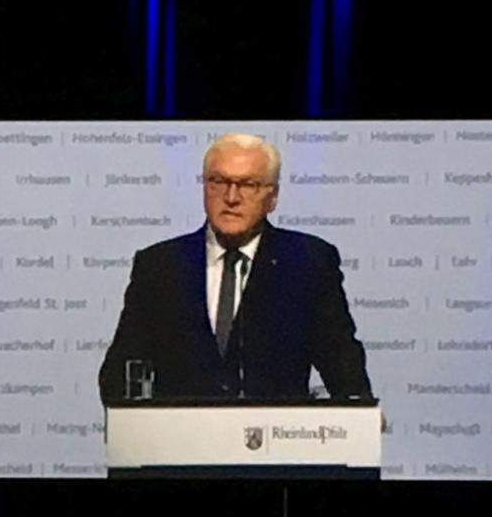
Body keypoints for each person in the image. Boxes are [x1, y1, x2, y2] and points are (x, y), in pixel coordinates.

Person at [98, 132, 371, 405]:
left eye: (248, 184)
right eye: (219, 182)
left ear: (272, 197)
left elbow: (341, 362)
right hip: (181, 442)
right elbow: (121, 372)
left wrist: (361, 412)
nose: (231, 197)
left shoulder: (308, 262)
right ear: (204, 187)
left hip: (275, 440)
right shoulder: (160, 266)